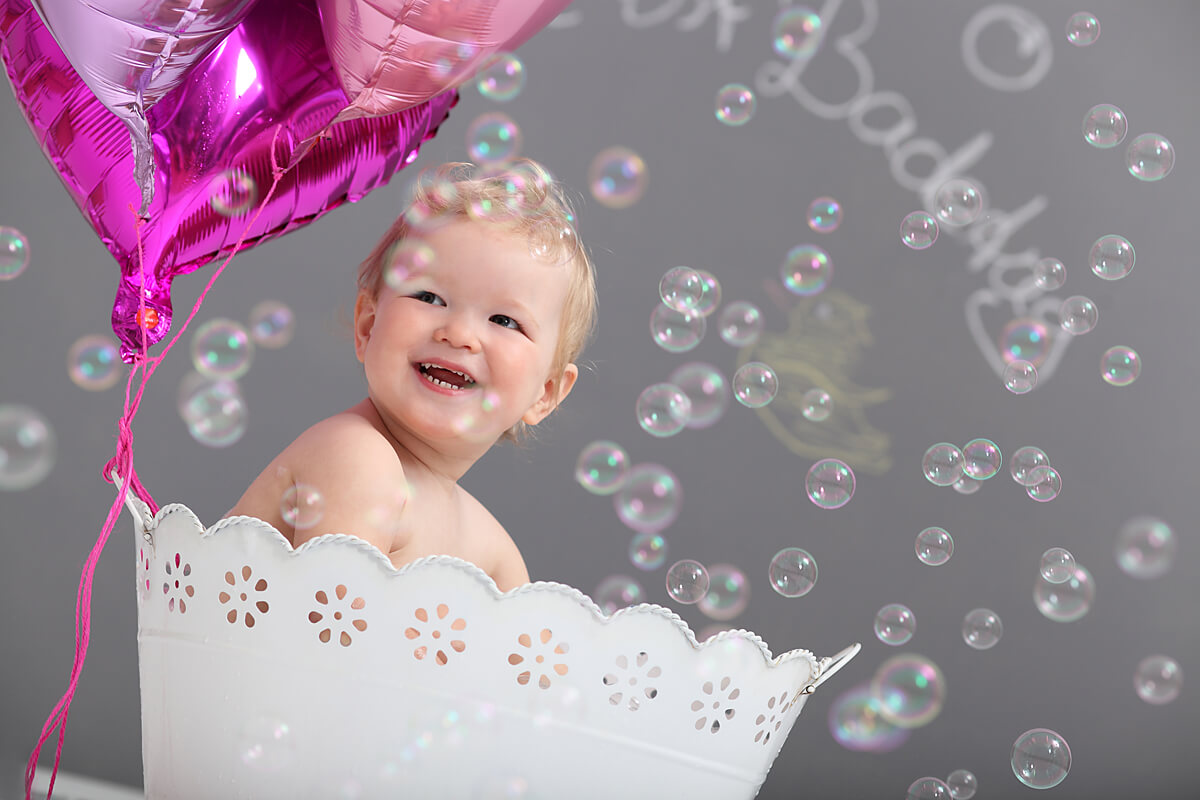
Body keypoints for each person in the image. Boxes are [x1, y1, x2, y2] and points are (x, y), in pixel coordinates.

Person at [228, 160, 597, 591]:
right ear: (367, 326)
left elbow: (514, 659)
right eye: (429, 296)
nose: (459, 334)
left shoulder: (494, 553)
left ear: (545, 393)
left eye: (504, 320)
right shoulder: (355, 457)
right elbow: (328, 637)